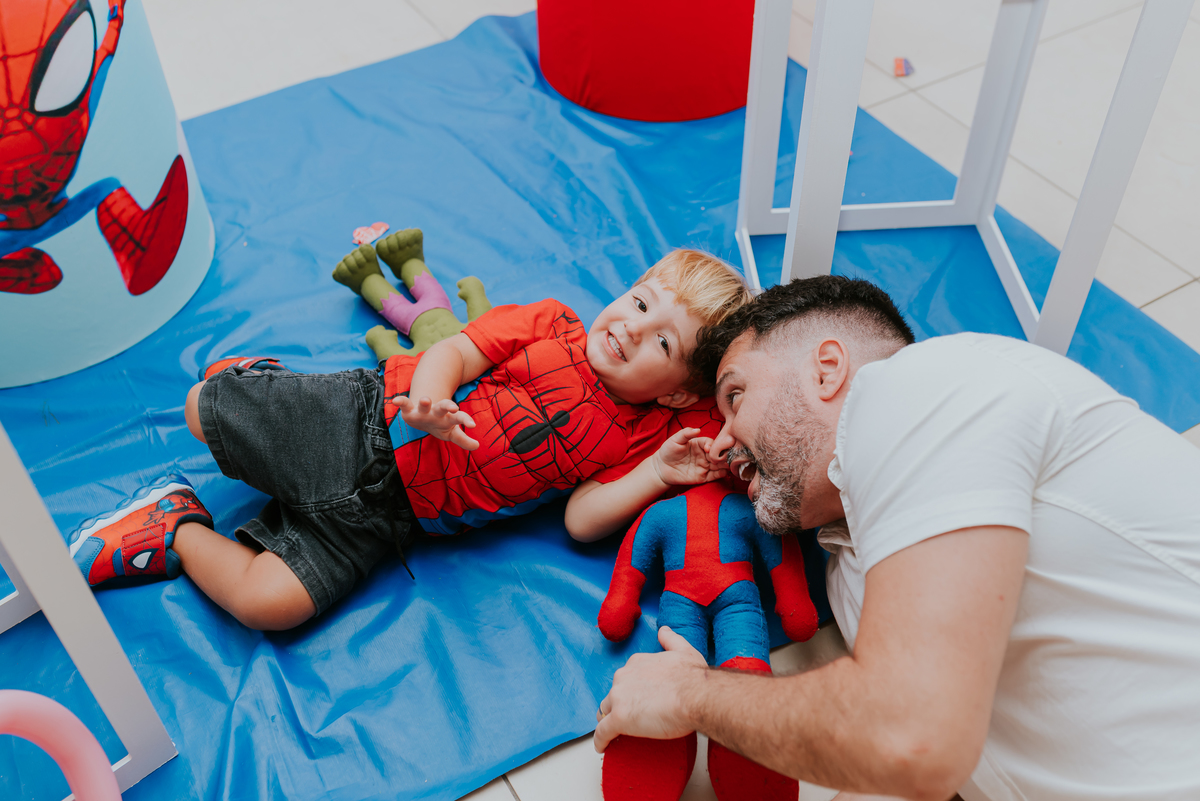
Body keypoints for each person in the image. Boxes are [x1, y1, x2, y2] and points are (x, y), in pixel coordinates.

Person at [594, 275, 1200, 801]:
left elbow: (910, 736)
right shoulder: (847, 573)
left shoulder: (919, 387)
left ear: (827, 369)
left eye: (735, 395)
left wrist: (691, 697)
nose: (722, 444)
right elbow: (913, 758)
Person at [68, 248, 750, 631]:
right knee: (200, 407)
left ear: (678, 392)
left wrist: (660, 471)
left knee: (265, 604)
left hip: (389, 521)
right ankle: (260, 383)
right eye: (638, 300)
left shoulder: (653, 437)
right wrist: (430, 397)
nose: (631, 325)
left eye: (662, 337)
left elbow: (581, 519)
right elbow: (455, 351)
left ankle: (173, 522)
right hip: (365, 422)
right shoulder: (551, 325)